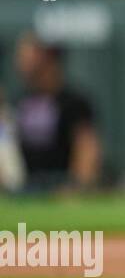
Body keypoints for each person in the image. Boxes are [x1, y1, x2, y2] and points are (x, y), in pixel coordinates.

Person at [13, 34, 102, 191]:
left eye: (28, 54)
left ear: (48, 57)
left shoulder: (74, 102)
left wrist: (78, 186)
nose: (21, 61)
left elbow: (86, 147)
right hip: (28, 190)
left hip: (62, 188)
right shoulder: (20, 102)